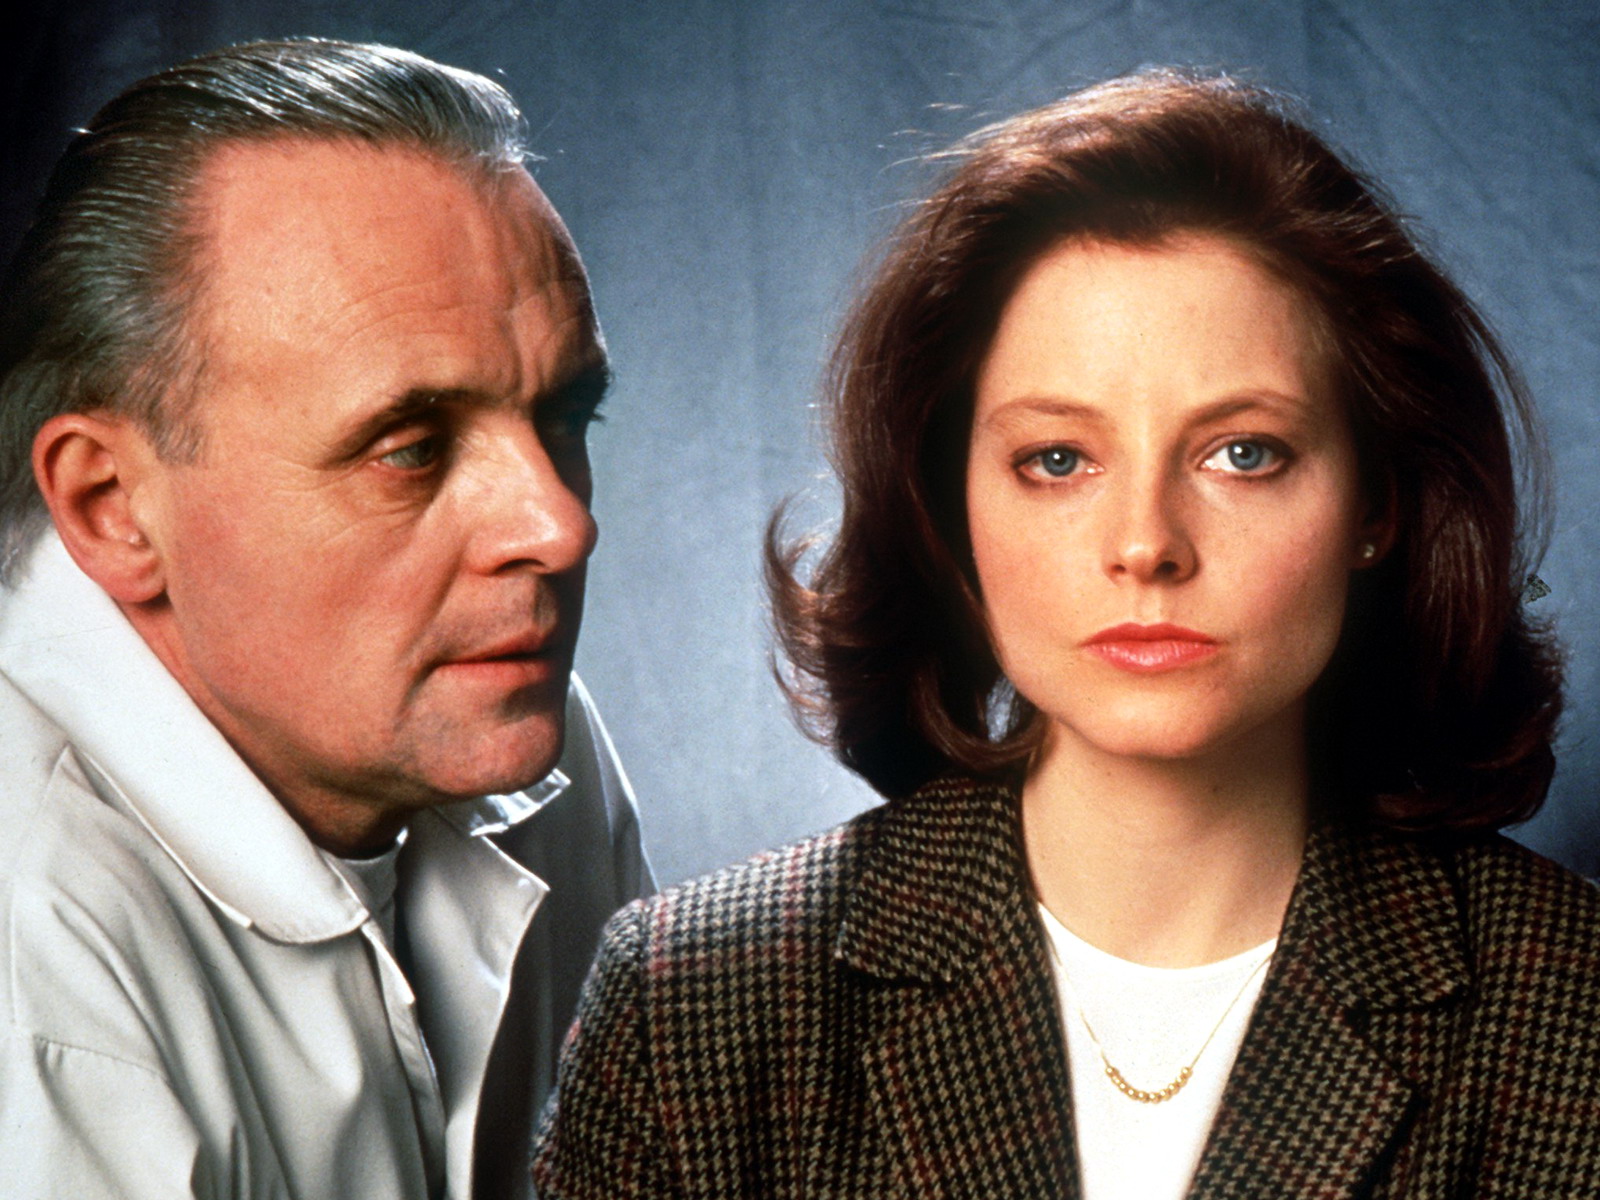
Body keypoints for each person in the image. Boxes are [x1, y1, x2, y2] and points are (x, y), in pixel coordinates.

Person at [534, 68, 1600, 1198]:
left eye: (1242, 453)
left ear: (1375, 505)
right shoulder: (690, 1003)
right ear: (949, 506)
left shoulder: (1572, 1011)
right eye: (1057, 460)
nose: (1145, 544)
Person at [0, 38, 651, 1199]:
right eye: (411, 448)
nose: (557, 526)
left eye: (563, 417)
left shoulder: (498, 709)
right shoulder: (26, 965)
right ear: (111, 507)